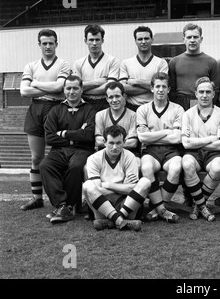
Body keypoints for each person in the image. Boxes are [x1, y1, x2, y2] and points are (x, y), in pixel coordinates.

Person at [19, 28, 71, 211]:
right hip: (36, 109)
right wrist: (51, 89)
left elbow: (60, 87)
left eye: (51, 43)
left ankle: (65, 199)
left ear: (57, 44)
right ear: (39, 44)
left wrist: (35, 83)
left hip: (56, 109)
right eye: (44, 43)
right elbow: (24, 91)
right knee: (36, 157)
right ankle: (37, 198)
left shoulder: (63, 64)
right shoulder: (31, 66)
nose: (48, 46)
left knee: (61, 156)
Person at [39, 75, 96, 224]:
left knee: (76, 166)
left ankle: (70, 206)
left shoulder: (89, 110)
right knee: (45, 165)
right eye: (68, 88)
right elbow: (49, 138)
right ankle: (62, 205)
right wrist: (77, 135)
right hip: (59, 150)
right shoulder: (56, 110)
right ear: (64, 90)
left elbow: (89, 135)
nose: (72, 91)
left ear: (81, 89)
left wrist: (64, 133)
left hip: (83, 150)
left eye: (75, 88)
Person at [136, 72, 182, 223]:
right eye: (157, 86)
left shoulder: (177, 109)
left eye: (164, 86)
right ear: (152, 89)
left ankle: (157, 209)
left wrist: (152, 135)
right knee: (147, 167)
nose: (160, 90)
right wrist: (167, 131)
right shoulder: (143, 109)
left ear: (169, 89)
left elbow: (177, 138)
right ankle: (162, 210)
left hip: (171, 151)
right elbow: (142, 137)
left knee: (176, 168)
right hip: (150, 151)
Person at [181, 77, 220, 222]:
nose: (204, 95)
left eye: (208, 92)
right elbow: (185, 144)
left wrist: (196, 142)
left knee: (218, 167)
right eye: (201, 92)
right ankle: (203, 206)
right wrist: (211, 138)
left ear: (213, 94)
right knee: (187, 164)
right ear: (195, 94)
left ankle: (197, 204)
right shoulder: (188, 114)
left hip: (214, 154)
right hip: (193, 154)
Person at [83, 125, 145, 231]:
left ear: (124, 142)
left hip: (125, 204)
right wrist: (123, 187)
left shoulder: (130, 157)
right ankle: (121, 221)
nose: (115, 147)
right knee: (87, 185)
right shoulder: (93, 159)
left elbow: (132, 189)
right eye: (111, 143)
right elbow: (96, 189)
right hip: (102, 206)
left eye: (118, 143)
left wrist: (107, 184)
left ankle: (112, 221)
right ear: (104, 142)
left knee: (145, 182)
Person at [168, 23, 220, 111]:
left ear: (201, 39)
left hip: (204, 101)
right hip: (180, 103)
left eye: (195, 37)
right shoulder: (174, 62)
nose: (192, 40)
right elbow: (171, 90)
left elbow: (216, 89)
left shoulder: (211, 62)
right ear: (183, 39)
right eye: (189, 37)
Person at [119, 26, 168, 111]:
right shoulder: (126, 63)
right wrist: (152, 87)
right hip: (132, 107)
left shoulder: (161, 63)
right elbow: (123, 88)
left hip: (154, 108)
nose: (143, 42)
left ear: (152, 40)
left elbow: (162, 86)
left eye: (146, 38)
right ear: (135, 41)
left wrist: (135, 82)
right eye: (140, 39)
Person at [72, 24, 120, 112]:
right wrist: (97, 82)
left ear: (102, 41)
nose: (94, 43)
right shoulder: (78, 63)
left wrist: (83, 89)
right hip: (84, 103)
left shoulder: (112, 61)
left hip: (105, 103)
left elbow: (110, 88)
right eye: (91, 40)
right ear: (85, 41)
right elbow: (75, 87)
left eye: (97, 40)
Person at [95, 82, 139, 160]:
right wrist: (119, 143)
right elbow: (98, 141)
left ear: (124, 96)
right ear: (107, 98)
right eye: (111, 97)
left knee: (138, 164)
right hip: (105, 154)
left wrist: (110, 143)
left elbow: (133, 143)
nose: (114, 100)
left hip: (127, 153)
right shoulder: (100, 115)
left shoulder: (133, 115)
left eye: (117, 96)